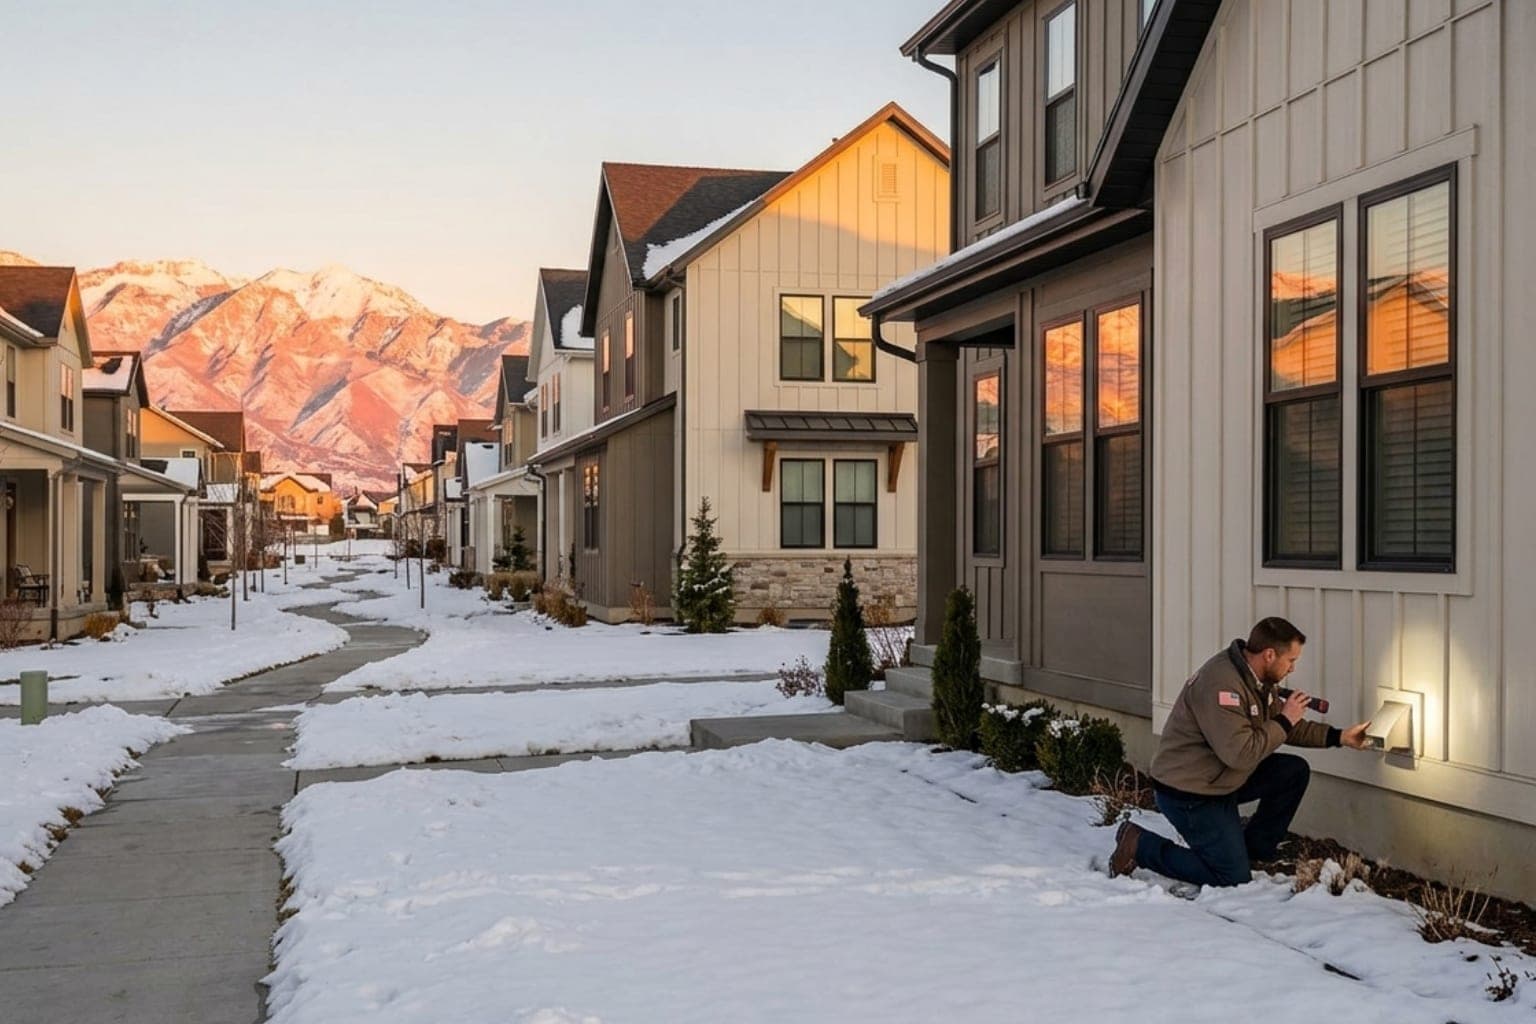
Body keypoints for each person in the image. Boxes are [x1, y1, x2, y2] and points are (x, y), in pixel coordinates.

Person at [1110, 617, 1371, 887]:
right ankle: (1140, 845)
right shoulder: (1221, 685)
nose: (1292, 668)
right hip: (1191, 792)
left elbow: (1284, 727)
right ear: (1269, 655)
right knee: (1230, 878)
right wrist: (1285, 719)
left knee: (1292, 772)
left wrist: (1340, 737)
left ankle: (1253, 852)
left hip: (1221, 778)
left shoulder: (1257, 678)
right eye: (1291, 660)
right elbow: (1241, 754)